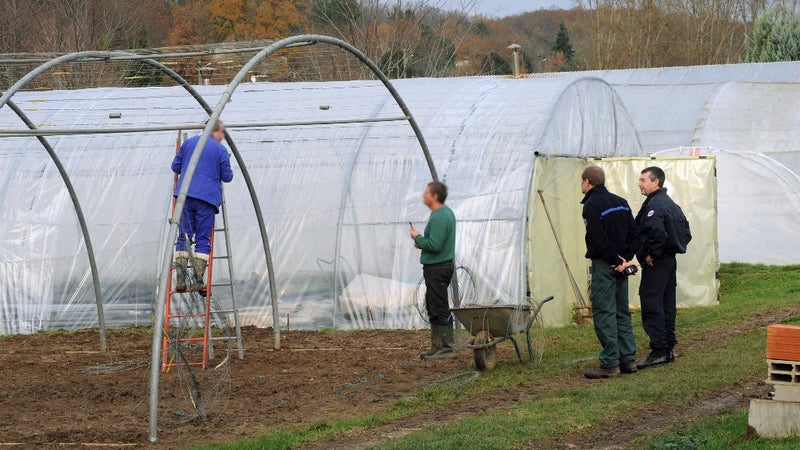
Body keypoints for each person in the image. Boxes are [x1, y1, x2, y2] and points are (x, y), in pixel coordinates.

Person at [619, 166, 691, 369]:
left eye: (643, 180)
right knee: (667, 304)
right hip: (669, 261)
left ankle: (659, 349)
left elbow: (657, 232)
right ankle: (667, 348)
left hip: (657, 262)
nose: (639, 184)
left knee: (651, 302)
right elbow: (686, 232)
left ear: (656, 182)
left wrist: (652, 253)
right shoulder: (670, 204)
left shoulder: (655, 205)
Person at [580, 166, 640, 379]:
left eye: (582, 182)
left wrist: (614, 261)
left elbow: (597, 237)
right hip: (622, 266)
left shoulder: (591, 205)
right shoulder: (621, 202)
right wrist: (625, 259)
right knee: (621, 311)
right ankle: (628, 359)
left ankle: (609, 363)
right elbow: (634, 233)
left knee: (605, 312)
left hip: (606, 265)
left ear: (587, 182)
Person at [172, 121, 234, 294]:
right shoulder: (220, 150)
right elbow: (228, 177)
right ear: (216, 131)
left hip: (185, 196)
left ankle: (181, 280)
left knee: (183, 236)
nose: (222, 136)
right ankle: (199, 281)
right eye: (222, 132)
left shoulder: (189, 143)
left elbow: (175, 167)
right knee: (202, 239)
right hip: (206, 199)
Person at [410, 181, 457, 360]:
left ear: (435, 196)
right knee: (433, 306)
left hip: (437, 268)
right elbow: (434, 242)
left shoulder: (439, 216)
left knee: (439, 307)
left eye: (426, 192)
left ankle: (445, 348)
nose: (423, 195)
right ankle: (437, 347)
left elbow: (435, 245)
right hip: (437, 267)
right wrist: (421, 242)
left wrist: (418, 237)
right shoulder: (441, 214)